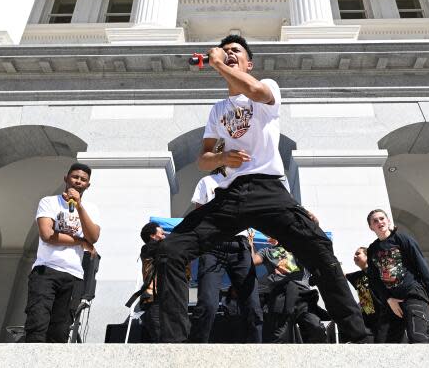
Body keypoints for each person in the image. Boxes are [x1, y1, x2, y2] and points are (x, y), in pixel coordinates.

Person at [150, 34, 368, 342]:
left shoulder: (266, 89)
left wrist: (218, 64)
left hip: (268, 191)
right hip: (230, 196)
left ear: (248, 63)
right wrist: (222, 157)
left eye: (235, 51)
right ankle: (175, 345)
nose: (228, 54)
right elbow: (203, 160)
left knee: (319, 248)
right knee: (171, 250)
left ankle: (357, 336)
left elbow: (252, 88)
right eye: (224, 52)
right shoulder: (218, 110)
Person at [24, 163, 101, 343]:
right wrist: (81, 241)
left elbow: (94, 237)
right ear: (66, 178)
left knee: (60, 330)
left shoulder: (91, 209)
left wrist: (80, 207)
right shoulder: (49, 202)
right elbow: (47, 235)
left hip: (73, 276)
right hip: (46, 271)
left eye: (83, 180)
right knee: (37, 324)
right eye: (75, 177)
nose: (78, 181)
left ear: (87, 185)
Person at [188, 160, 263, 344]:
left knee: (253, 306)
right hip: (213, 245)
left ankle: (256, 352)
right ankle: (196, 351)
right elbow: (198, 217)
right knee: (207, 304)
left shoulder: (246, 183)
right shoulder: (207, 182)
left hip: (240, 246)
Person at [365, 209, 429, 344]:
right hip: (391, 301)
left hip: (412, 294)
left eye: (382, 218)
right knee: (383, 343)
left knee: (418, 338)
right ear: (371, 227)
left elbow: (421, 266)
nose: (379, 222)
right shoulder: (372, 249)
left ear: (388, 221)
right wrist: (388, 299)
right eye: (375, 221)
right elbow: (374, 279)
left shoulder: (402, 239)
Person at [254, 237, 328, 343]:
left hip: (303, 295)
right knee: (279, 335)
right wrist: (250, 245)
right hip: (281, 296)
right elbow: (251, 261)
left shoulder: (299, 247)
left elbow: (312, 238)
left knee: (315, 327)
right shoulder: (267, 251)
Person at [345, 247, 386, 342]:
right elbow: (341, 275)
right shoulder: (357, 276)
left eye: (358, 253)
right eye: (354, 254)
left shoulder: (378, 271)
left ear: (367, 256)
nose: (354, 256)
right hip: (368, 320)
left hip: (383, 316)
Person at [138, 221, 166, 343]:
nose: (164, 235)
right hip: (153, 300)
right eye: (161, 233)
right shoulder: (148, 248)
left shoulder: (160, 248)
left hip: (162, 299)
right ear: (153, 236)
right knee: (160, 338)